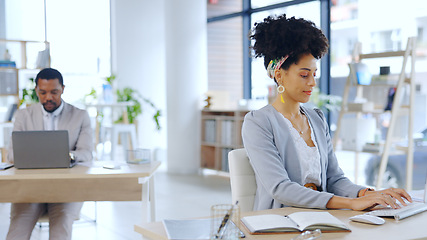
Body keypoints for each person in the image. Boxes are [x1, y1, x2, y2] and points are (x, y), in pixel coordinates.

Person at [242, 14, 412, 211]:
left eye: (314, 74)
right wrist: (351, 203)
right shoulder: (258, 123)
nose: (312, 83)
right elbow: (280, 188)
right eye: (304, 75)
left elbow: (334, 178)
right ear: (279, 75)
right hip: (281, 222)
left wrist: (370, 194)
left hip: (321, 217)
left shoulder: (316, 118)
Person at [6, 68, 93, 240]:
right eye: (43, 92)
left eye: (54, 92)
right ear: (36, 91)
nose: (48, 98)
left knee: (60, 233)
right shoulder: (23, 115)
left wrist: (68, 156)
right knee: (17, 233)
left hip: (66, 190)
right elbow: (12, 155)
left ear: (63, 89)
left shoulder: (80, 116)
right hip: (29, 190)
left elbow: (86, 153)